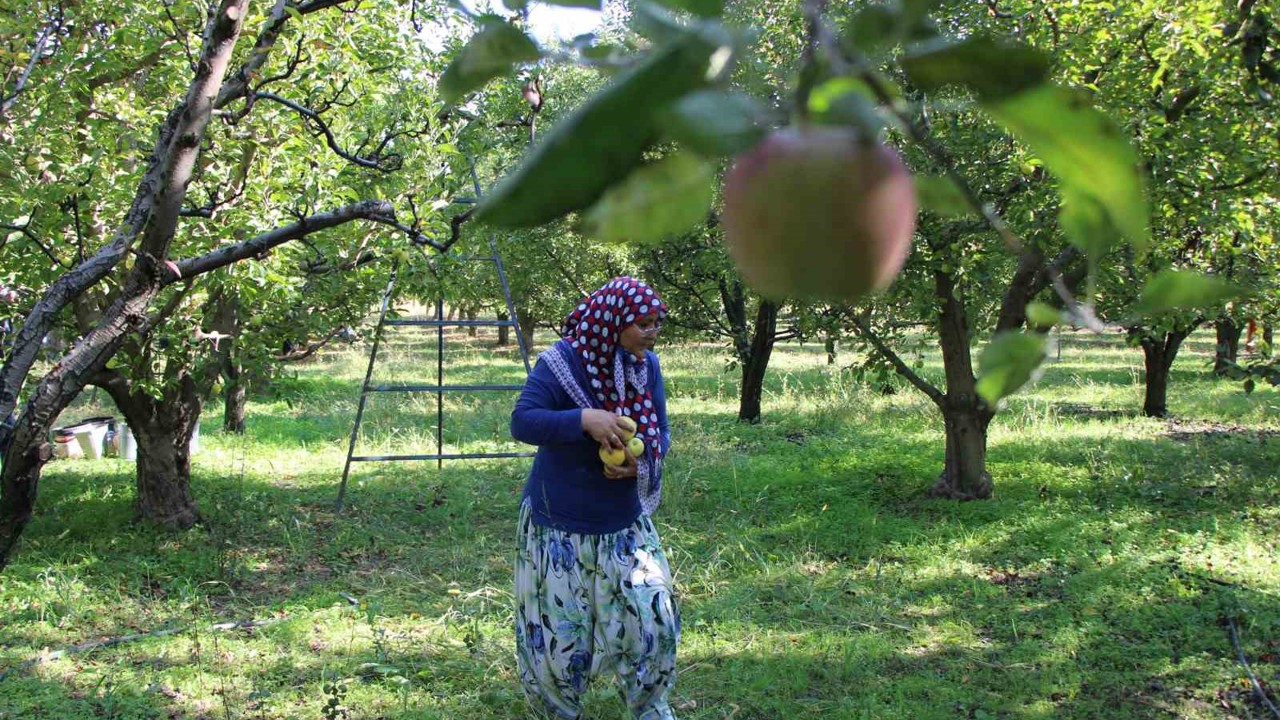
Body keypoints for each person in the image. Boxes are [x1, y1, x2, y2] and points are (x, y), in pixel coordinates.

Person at [510, 276, 679, 720]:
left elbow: (659, 431)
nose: (652, 331)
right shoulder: (561, 363)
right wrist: (583, 418)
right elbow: (524, 421)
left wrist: (636, 466)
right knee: (557, 640)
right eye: (642, 323)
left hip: (622, 521)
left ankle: (649, 710)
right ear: (612, 323)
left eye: (656, 322)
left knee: (652, 622)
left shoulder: (647, 366)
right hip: (557, 525)